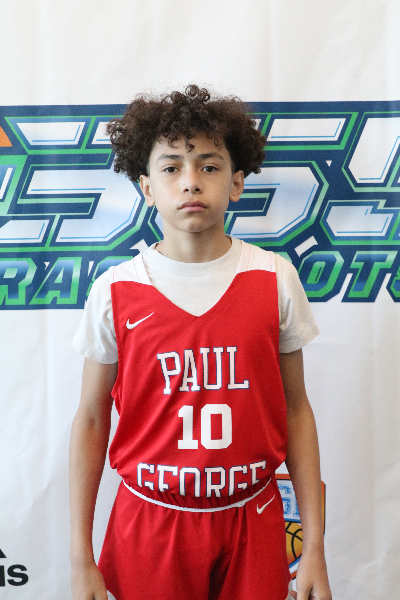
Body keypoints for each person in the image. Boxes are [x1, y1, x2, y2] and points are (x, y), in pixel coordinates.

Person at [69, 84, 332, 600]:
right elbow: (93, 419)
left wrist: (315, 546)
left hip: (252, 515)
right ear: (147, 187)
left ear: (236, 183)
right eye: (171, 168)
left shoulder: (274, 278)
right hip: (151, 520)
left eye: (209, 166)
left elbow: (296, 409)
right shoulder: (115, 291)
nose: (191, 180)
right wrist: (80, 556)